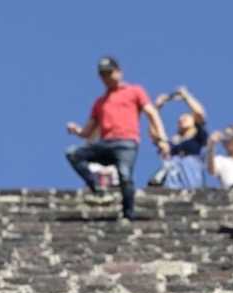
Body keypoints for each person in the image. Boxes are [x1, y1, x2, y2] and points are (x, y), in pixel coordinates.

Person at [66, 56, 171, 223]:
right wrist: (76, 130)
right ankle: (99, 190)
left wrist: (163, 139)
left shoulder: (135, 91)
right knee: (73, 153)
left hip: (126, 143)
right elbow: (88, 131)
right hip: (106, 143)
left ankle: (127, 214)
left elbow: (151, 113)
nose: (107, 78)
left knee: (125, 175)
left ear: (119, 72)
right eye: (103, 75)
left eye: (109, 73)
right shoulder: (100, 102)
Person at [151, 88, 210, 189]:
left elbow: (200, 114)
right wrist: (156, 109)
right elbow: (155, 136)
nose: (182, 120)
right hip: (173, 178)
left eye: (186, 118)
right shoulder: (173, 143)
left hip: (191, 174)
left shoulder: (198, 136)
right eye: (179, 120)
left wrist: (186, 97)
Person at [208, 125, 233, 190]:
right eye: (225, 141)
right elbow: (211, 171)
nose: (227, 143)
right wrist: (211, 145)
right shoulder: (220, 160)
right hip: (230, 196)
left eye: (230, 139)